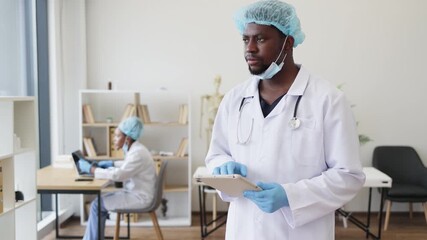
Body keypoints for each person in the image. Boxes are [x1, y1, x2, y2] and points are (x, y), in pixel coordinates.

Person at [205, 1, 366, 239]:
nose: (249, 48)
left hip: (302, 232)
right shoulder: (235, 99)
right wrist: (222, 168)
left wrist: (290, 196)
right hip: (245, 230)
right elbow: (216, 154)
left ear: (288, 43)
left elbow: (348, 176)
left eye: (260, 39)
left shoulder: (327, 100)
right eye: (245, 39)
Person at [78, 116, 156, 240]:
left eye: (117, 136)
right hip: (136, 193)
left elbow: (119, 175)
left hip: (140, 198)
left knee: (96, 205)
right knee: (99, 202)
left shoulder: (137, 153)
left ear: (127, 138)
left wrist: (91, 170)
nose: (114, 139)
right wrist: (111, 164)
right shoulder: (137, 149)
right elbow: (127, 166)